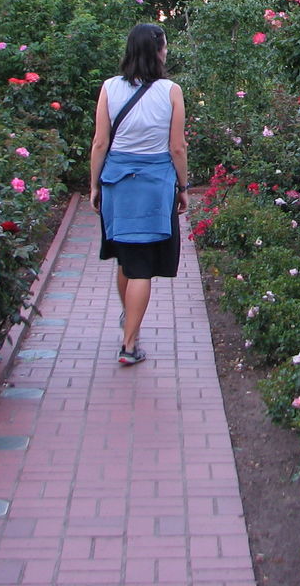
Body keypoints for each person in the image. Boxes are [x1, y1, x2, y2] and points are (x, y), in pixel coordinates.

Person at [89, 23, 190, 366]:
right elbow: (177, 147)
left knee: (126, 257)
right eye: (165, 46)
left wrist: (93, 184)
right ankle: (129, 345)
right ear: (158, 52)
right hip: (155, 183)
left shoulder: (109, 88)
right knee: (142, 265)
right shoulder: (171, 91)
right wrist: (183, 187)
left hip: (117, 180)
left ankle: (127, 320)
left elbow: (100, 142)